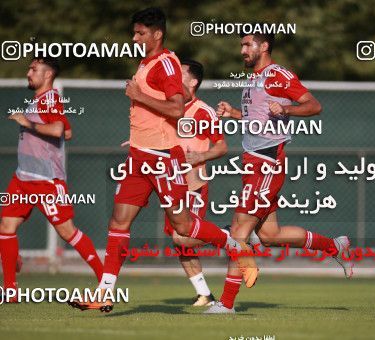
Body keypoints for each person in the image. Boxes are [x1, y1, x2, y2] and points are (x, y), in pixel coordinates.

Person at [70, 7, 256, 313]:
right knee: (118, 222)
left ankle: (237, 246)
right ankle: (105, 292)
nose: (134, 37)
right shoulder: (146, 64)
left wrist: (138, 96)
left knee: (182, 228)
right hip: (139, 158)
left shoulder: (166, 63)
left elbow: (175, 108)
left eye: (141, 32)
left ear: (157, 34)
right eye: (134, 32)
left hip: (162, 160)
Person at [205, 31, 353, 314]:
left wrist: (286, 107)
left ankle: (226, 304)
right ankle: (335, 247)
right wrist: (235, 113)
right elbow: (257, 118)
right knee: (271, 234)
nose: (242, 50)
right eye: (241, 45)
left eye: (247, 45)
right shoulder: (252, 79)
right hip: (253, 164)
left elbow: (313, 105)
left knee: (239, 232)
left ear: (264, 46)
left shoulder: (278, 75)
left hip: (267, 163)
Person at [0, 57, 103, 302]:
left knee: (68, 232)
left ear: (48, 75)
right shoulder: (40, 101)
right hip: (23, 177)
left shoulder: (50, 99)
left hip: (46, 180)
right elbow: (67, 130)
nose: (28, 72)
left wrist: (28, 123)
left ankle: (105, 277)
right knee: (6, 229)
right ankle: (10, 290)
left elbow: (57, 130)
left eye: (34, 69)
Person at [163, 59, 227, 306]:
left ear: (193, 81)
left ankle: (231, 236)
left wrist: (201, 155)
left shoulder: (202, 111)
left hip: (193, 184)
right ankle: (205, 294)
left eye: (178, 74)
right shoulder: (167, 108)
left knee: (183, 236)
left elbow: (221, 146)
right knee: (180, 242)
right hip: (169, 183)